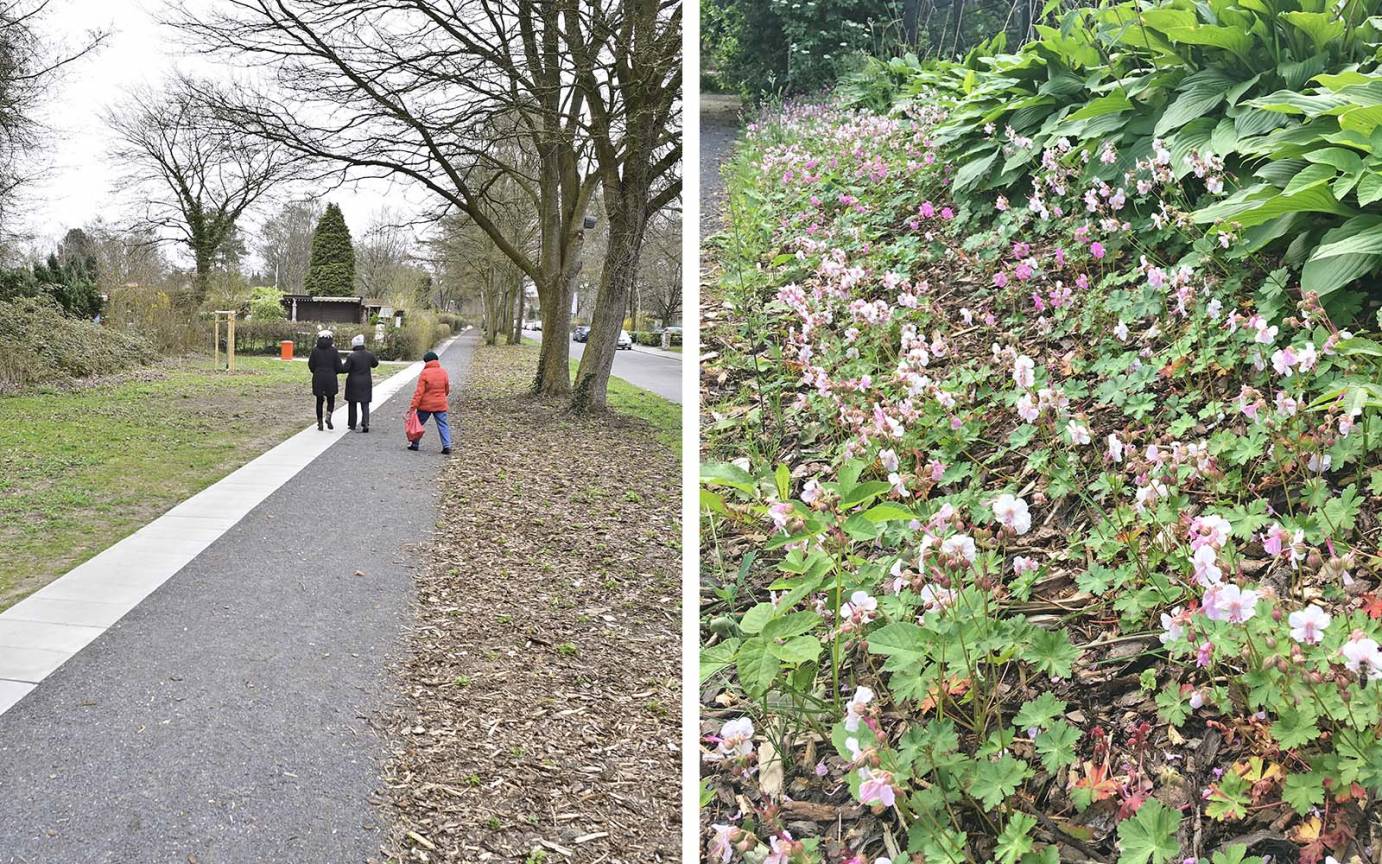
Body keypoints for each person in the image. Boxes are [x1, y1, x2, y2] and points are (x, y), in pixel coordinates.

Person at [408, 349, 451, 454]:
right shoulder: (443, 372)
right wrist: (441, 397)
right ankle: (447, 446)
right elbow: (447, 389)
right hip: (440, 404)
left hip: (425, 406)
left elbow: (419, 392)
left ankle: (415, 444)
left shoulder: (424, 373)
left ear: (426, 362)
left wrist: (413, 406)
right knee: (443, 425)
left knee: (418, 423)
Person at [341, 333, 379, 432]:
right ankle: (365, 423)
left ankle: (352, 424)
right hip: (366, 381)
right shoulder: (369, 355)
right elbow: (375, 364)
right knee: (365, 403)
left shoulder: (351, 356)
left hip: (353, 382)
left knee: (352, 403)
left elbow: (345, 369)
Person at [307, 329, 342, 430]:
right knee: (331, 399)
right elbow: (338, 366)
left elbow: (311, 365)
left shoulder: (315, 350)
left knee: (319, 400)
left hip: (318, 376)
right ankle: (328, 415)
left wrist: (316, 371)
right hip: (330, 377)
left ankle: (320, 422)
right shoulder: (334, 351)